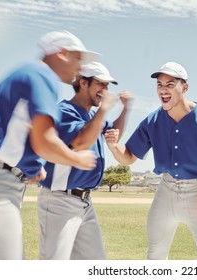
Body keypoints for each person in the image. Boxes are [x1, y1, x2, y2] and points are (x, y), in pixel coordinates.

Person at [0, 31, 98, 260]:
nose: (80, 67)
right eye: (78, 59)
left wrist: (33, 167)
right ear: (62, 53)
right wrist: (78, 159)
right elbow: (44, 140)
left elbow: (20, 130)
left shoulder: (30, 74)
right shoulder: (40, 74)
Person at [106, 62, 197, 260]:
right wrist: (113, 146)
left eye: (170, 84)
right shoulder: (152, 121)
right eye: (159, 85)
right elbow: (128, 156)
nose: (163, 89)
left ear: (185, 87)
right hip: (166, 190)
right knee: (155, 254)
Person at [37, 61, 133, 260]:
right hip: (59, 201)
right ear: (83, 83)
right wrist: (104, 110)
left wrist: (125, 109)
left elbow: (114, 132)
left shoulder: (91, 114)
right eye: (101, 84)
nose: (105, 91)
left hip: (85, 202)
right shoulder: (64, 111)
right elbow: (80, 141)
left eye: (107, 86)